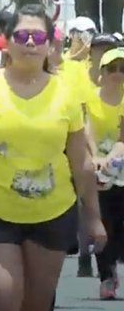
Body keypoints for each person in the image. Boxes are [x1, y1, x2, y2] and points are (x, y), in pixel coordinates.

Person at [0, 4, 107, 311]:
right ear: (8, 40)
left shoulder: (66, 93)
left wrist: (93, 217)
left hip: (53, 214)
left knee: (37, 305)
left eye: (37, 36)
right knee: (2, 299)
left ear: (50, 44)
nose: (30, 42)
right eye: (22, 35)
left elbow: (80, 162)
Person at [86, 47, 124, 299]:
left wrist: (112, 156)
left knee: (120, 225)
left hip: (120, 168)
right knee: (102, 223)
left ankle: (113, 263)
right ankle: (106, 276)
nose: (118, 74)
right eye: (112, 69)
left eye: (123, 69)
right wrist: (96, 158)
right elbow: (86, 130)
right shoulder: (89, 98)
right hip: (96, 170)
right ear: (102, 72)